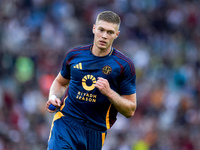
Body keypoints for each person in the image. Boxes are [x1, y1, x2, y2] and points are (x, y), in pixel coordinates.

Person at [46, 10, 137, 150]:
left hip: (95, 131)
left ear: (116, 35)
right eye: (101, 30)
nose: (104, 36)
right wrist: (53, 96)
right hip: (66, 122)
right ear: (94, 28)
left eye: (110, 32)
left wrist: (110, 93)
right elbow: (60, 82)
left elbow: (130, 110)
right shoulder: (74, 55)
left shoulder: (124, 65)